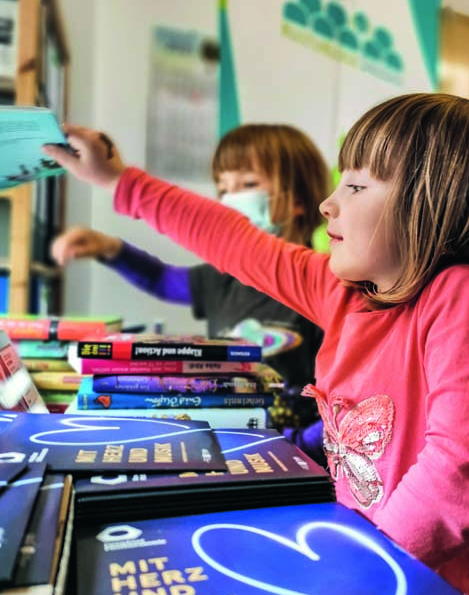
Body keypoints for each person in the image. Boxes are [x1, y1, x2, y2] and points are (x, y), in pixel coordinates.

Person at [43, 94, 469, 595]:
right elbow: (232, 239)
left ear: (440, 207)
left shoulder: (462, 295)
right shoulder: (342, 294)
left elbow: (461, 480)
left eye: (357, 186)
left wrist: (349, 568)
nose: (328, 203)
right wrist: (117, 180)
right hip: (382, 584)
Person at [51, 124, 330, 459]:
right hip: (230, 447)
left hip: (295, 458)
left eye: (248, 184)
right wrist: (110, 249)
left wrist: (298, 444)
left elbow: (347, 402)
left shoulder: (322, 289)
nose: (230, 199)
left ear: (298, 200)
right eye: (223, 188)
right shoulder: (222, 279)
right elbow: (163, 280)